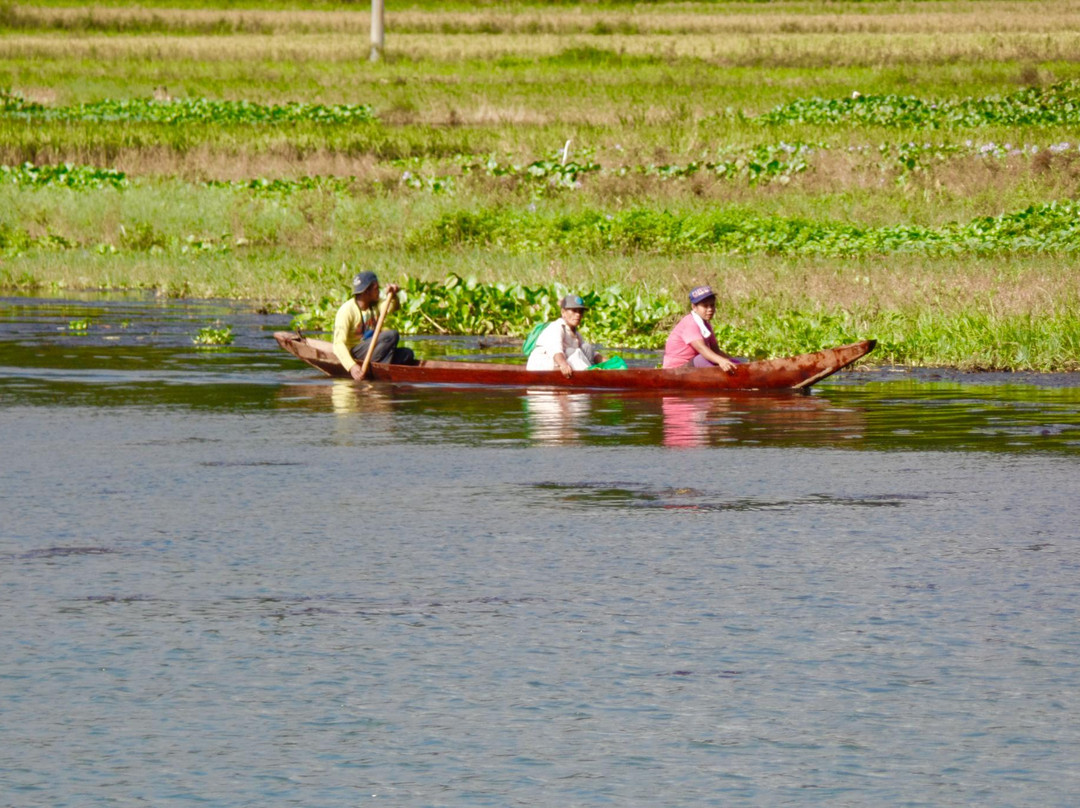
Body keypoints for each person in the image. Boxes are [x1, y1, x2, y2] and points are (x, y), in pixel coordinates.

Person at [332, 271, 415, 381]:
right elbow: (338, 344)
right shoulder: (346, 311)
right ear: (366, 291)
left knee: (407, 354)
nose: (379, 292)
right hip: (356, 352)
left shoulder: (375, 304)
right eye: (376, 289)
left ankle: (379, 368)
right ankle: (381, 370)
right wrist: (352, 366)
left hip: (373, 350)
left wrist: (393, 295)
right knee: (391, 335)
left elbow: (391, 308)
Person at [662, 285, 740, 373]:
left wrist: (737, 364)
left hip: (692, 367)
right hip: (675, 371)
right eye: (705, 306)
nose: (710, 309)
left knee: (719, 359)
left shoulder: (706, 325)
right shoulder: (690, 323)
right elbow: (702, 349)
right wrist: (721, 361)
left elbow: (716, 350)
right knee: (702, 358)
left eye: (712, 305)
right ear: (694, 307)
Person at [526, 294, 602, 378]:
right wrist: (563, 364)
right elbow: (556, 351)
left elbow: (593, 354)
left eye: (580, 312)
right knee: (571, 351)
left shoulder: (575, 332)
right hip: (542, 369)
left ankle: (592, 374)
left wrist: (612, 364)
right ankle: (589, 377)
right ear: (563, 312)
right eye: (574, 310)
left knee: (586, 347)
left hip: (561, 363)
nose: (578, 315)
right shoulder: (556, 327)